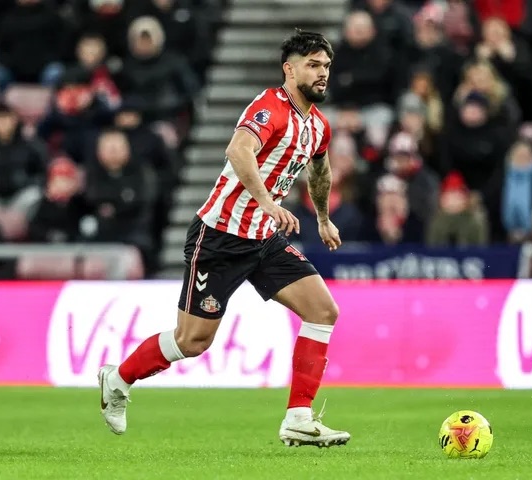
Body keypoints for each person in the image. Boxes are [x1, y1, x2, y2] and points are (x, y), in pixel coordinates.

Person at [97, 29, 351, 448]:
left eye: (326, 65)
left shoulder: (318, 126)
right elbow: (238, 150)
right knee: (192, 341)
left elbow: (319, 170)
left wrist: (323, 218)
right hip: (220, 237)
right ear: (289, 70)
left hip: (264, 239)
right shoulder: (270, 107)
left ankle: (298, 418)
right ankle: (118, 378)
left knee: (323, 311)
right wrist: (267, 202)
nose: (322, 73)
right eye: (312, 65)